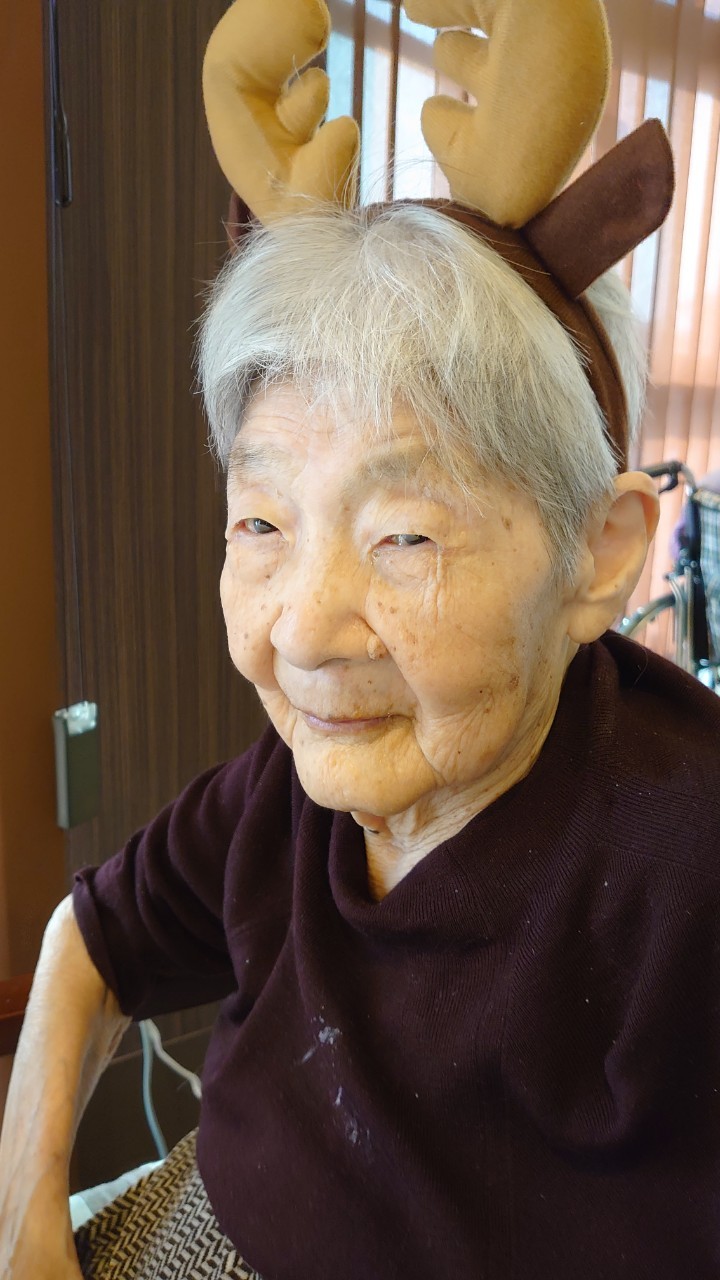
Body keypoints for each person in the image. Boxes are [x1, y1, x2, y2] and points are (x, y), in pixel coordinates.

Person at [2, 1, 720, 1277]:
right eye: (262, 522)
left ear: (598, 554)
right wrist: (28, 1225)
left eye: (405, 536)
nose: (303, 631)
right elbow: (85, 937)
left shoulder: (681, 868)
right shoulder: (284, 793)